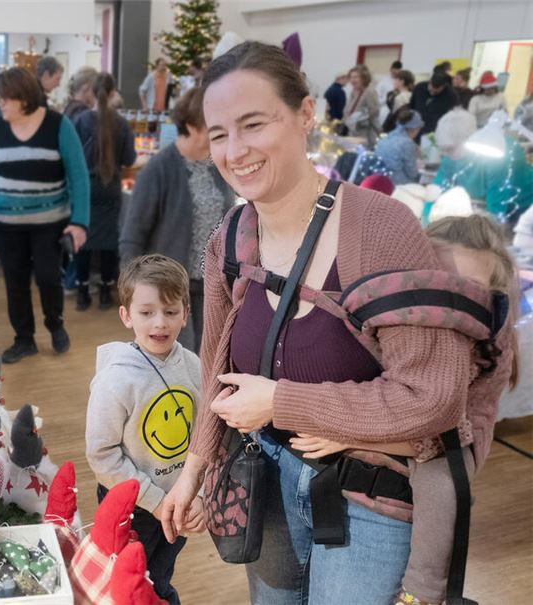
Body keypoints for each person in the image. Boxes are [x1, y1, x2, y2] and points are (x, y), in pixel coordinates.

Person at [158, 41, 477, 603]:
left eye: (253, 124)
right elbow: (216, 371)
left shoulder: (381, 229)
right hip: (265, 481)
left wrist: (282, 403)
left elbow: (435, 395)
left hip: (368, 499)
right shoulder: (231, 238)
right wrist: (195, 469)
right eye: (220, 134)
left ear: (306, 114)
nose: (235, 151)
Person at [289, 214, 517, 605]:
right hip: (343, 481)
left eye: (468, 293)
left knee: (440, 482)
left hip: (440, 460)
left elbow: (438, 433)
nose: (448, 306)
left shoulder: (479, 349)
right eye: (438, 284)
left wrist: (345, 431)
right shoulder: (407, 325)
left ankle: (423, 592)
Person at [85, 254, 206, 605]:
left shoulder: (193, 365)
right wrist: (156, 502)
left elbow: (205, 437)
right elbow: (102, 454)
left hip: (177, 504)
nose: (160, 323)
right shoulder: (115, 378)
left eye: (170, 312)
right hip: (132, 506)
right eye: (146, 312)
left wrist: (198, 494)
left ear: (186, 313)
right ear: (126, 316)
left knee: (159, 575)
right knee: (126, 586)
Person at [0, 67, 90, 363]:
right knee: (15, 282)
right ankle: (24, 339)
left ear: (23, 99)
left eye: (4, 99)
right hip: (5, 224)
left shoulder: (58, 125)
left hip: (49, 223)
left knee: (49, 278)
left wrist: (79, 222)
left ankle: (55, 324)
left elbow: (79, 177)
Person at [119, 88, 235, 353]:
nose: (223, 135)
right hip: (168, 287)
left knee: (209, 352)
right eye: (214, 127)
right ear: (192, 126)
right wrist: (135, 290)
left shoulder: (217, 165)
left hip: (211, 283)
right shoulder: (159, 169)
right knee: (178, 355)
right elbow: (132, 236)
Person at [72, 73, 136, 311]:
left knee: (83, 240)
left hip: (86, 187)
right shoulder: (121, 123)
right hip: (111, 187)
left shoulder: (81, 120)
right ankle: (106, 293)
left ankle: (82, 292)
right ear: (112, 94)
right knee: (110, 242)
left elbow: (72, 156)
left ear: (92, 92)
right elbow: (129, 158)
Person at [375, 108, 424, 185]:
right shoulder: (407, 143)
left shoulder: (387, 137)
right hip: (398, 186)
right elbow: (412, 173)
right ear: (415, 129)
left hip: (379, 181)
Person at [410, 70, 460, 140]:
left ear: (444, 86)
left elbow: (453, 117)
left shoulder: (452, 96)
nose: (432, 93)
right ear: (429, 82)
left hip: (435, 133)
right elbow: (412, 106)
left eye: (435, 92)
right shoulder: (419, 87)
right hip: (415, 130)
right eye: (430, 90)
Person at [344, 64, 381, 146]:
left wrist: (359, 119)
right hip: (352, 131)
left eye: (356, 77)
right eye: (351, 77)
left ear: (364, 78)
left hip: (365, 133)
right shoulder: (354, 92)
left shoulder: (370, 92)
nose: (353, 80)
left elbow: (374, 112)